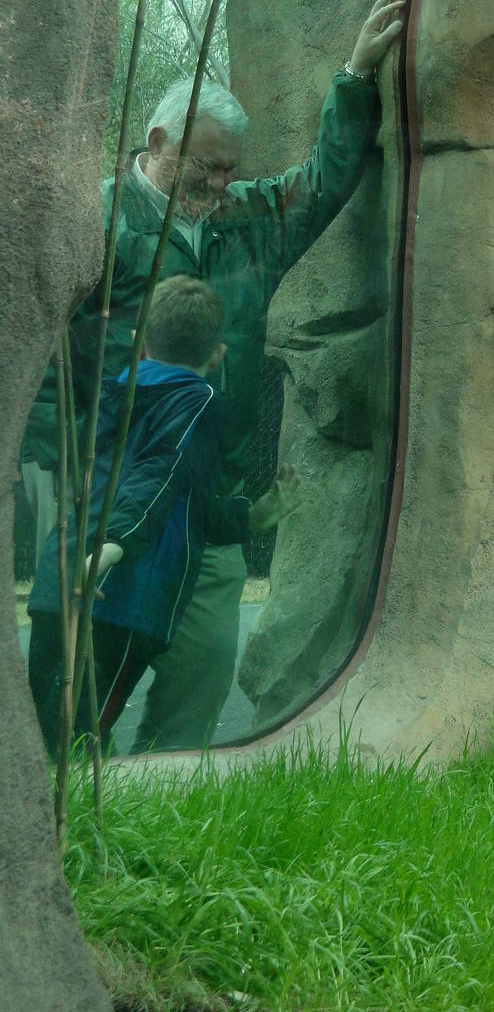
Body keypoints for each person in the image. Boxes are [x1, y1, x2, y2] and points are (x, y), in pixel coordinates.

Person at [20, 0, 404, 750]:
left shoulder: (246, 226)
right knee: (70, 699)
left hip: (210, 510)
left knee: (197, 687)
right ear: (159, 139)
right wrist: (44, 467)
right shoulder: (93, 224)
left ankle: (157, 834)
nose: (220, 185)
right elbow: (41, 360)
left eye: (231, 170)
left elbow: (323, 180)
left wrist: (356, 78)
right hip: (107, 504)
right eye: (206, 167)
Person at [25, 277, 298, 756]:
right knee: (79, 738)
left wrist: (248, 519)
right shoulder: (199, 400)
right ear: (218, 355)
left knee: (43, 735)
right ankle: (83, 825)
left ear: (138, 343)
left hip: (60, 577)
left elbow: (179, 497)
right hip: (124, 597)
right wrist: (114, 544)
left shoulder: (112, 392)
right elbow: (161, 471)